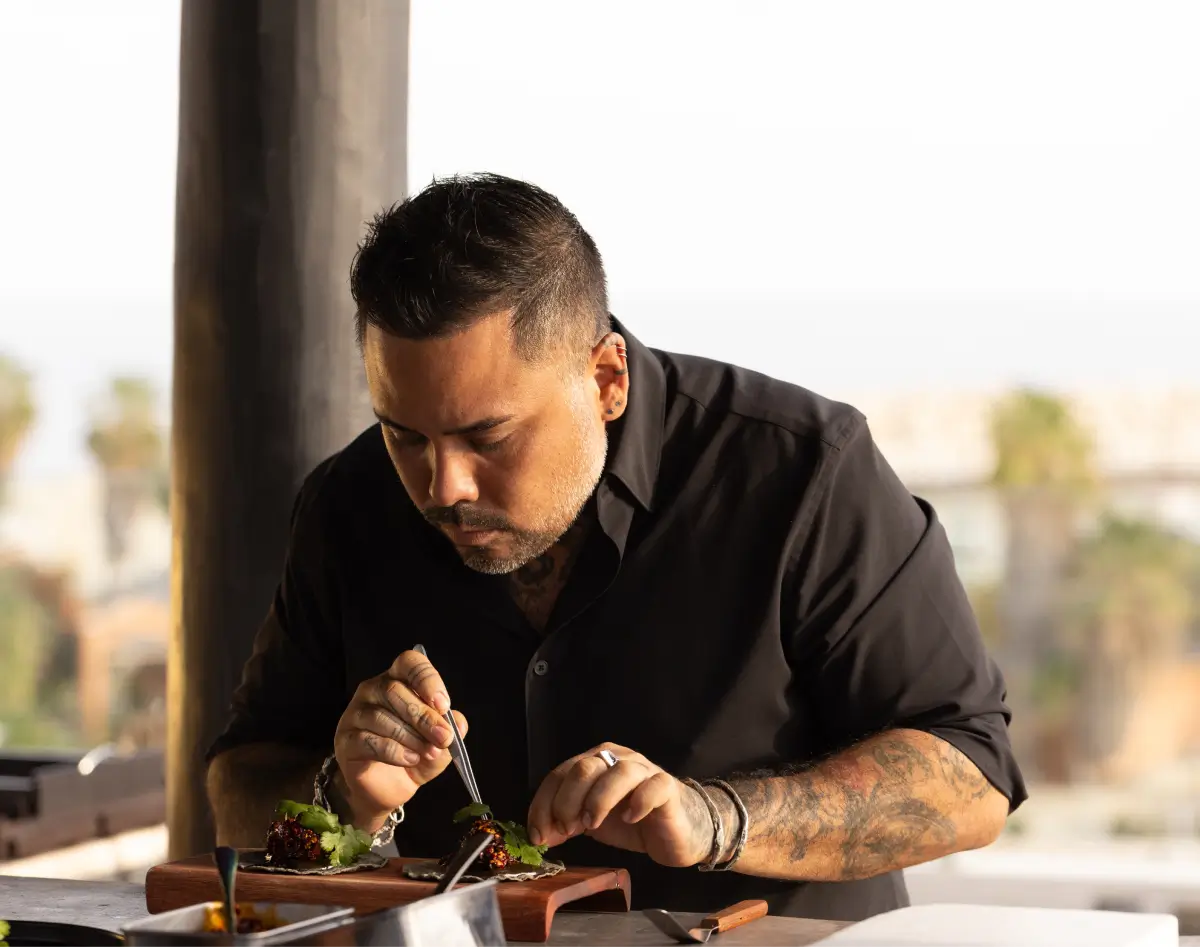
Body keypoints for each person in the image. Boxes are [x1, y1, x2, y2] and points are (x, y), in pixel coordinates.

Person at [205, 173, 1026, 921]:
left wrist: (716, 819)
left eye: (487, 435)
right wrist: (342, 793)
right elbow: (236, 785)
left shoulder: (802, 470)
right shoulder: (348, 502)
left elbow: (972, 776)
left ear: (606, 379)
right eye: (405, 436)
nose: (442, 484)